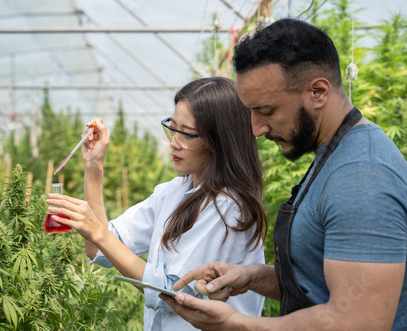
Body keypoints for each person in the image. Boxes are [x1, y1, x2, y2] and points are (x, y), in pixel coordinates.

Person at [160, 18, 407, 330]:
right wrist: (249, 276)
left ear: (317, 92)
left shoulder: (362, 176)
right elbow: (320, 281)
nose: (256, 129)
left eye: (267, 111)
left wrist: (237, 323)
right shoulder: (333, 155)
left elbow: (357, 321)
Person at [46, 77, 269, 330]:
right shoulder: (172, 192)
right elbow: (100, 249)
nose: (173, 141)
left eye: (186, 133)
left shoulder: (229, 206)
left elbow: (170, 293)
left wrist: (96, 232)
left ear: (219, 140)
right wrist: (93, 167)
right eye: (172, 128)